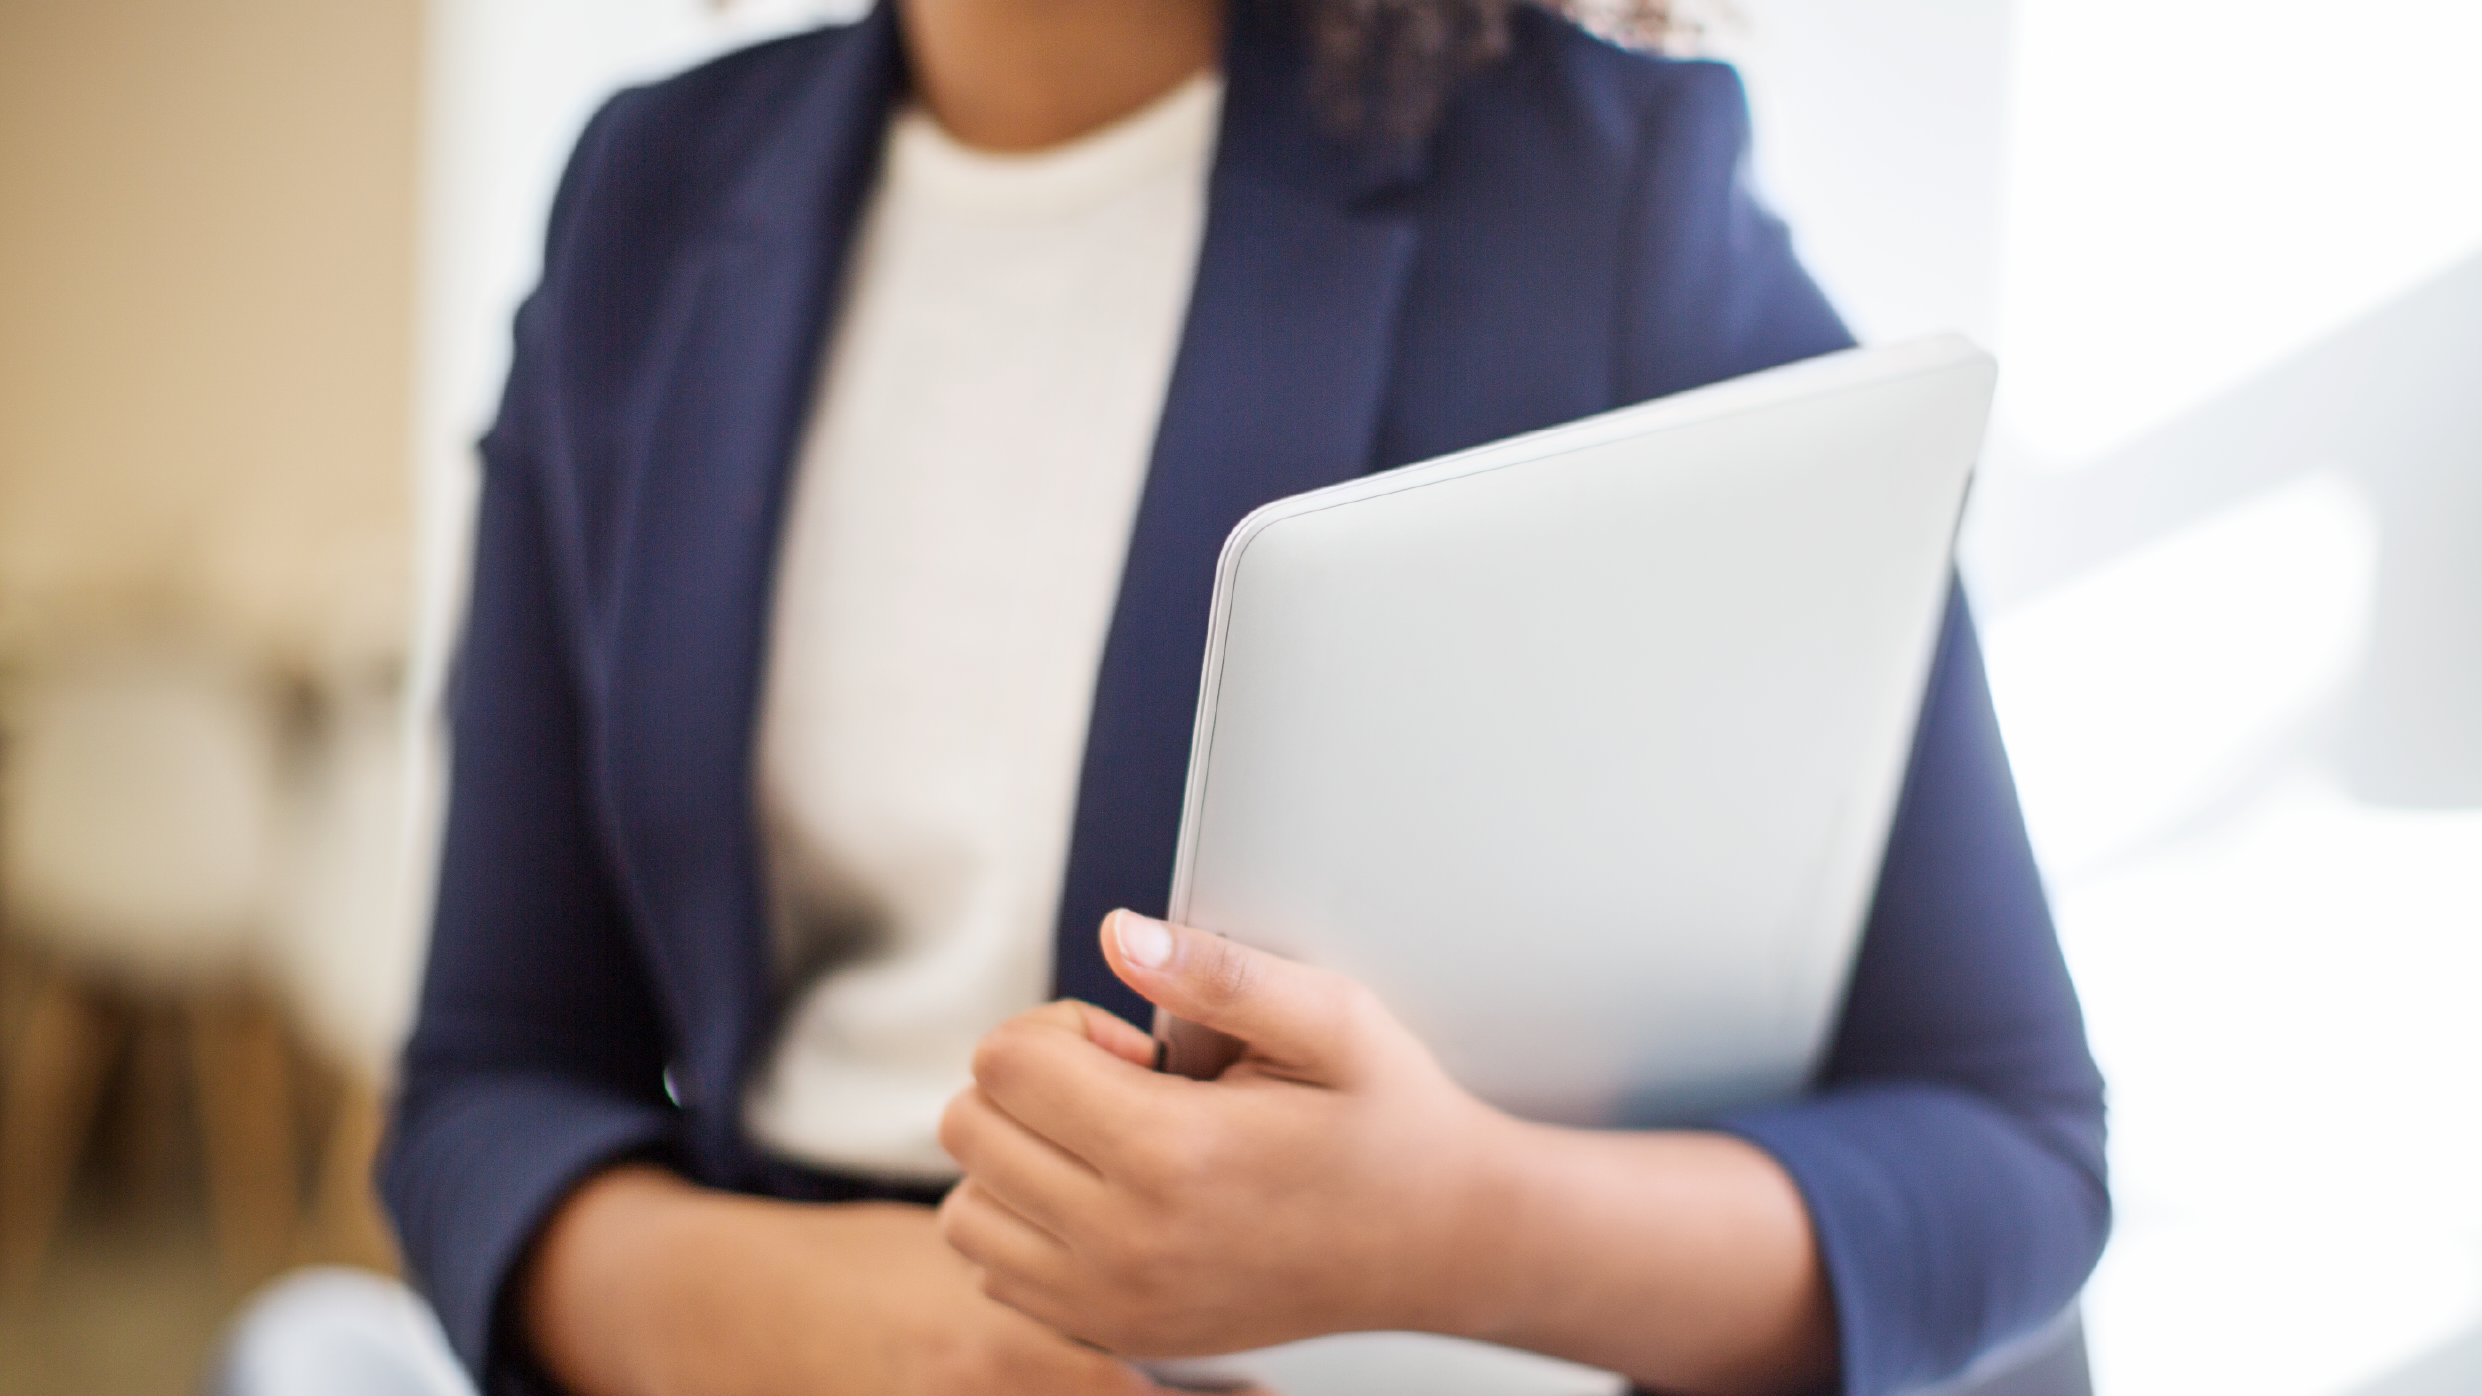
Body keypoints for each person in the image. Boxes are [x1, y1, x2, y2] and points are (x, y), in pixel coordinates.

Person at [377, 0, 2110, 1393]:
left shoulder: (1601, 208)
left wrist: (1462, 1233)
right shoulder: (648, 195)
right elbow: (487, 1087)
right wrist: (813, 1330)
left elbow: (2007, 1156)